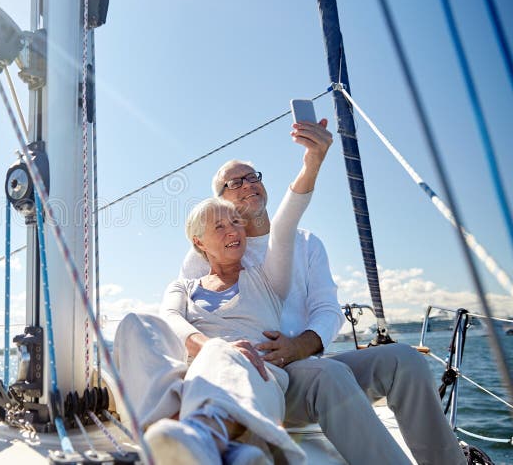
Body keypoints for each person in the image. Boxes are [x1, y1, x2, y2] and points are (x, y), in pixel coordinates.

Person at [179, 122, 465, 464]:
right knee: (329, 374)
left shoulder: (306, 243)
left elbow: (327, 310)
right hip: (266, 375)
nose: (248, 184)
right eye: (235, 182)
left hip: (312, 364)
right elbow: (185, 313)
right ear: (219, 200)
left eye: (253, 176)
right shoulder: (205, 256)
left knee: (406, 361)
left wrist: (299, 345)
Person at [115, 121, 329, 465]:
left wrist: (311, 164)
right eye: (220, 226)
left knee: (217, 357)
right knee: (134, 324)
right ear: (199, 242)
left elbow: (287, 221)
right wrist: (210, 345)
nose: (233, 230)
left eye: (236, 223)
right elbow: (169, 317)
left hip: (258, 376)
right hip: (206, 371)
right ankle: (214, 447)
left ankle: (197, 436)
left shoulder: (268, 277)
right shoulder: (182, 287)